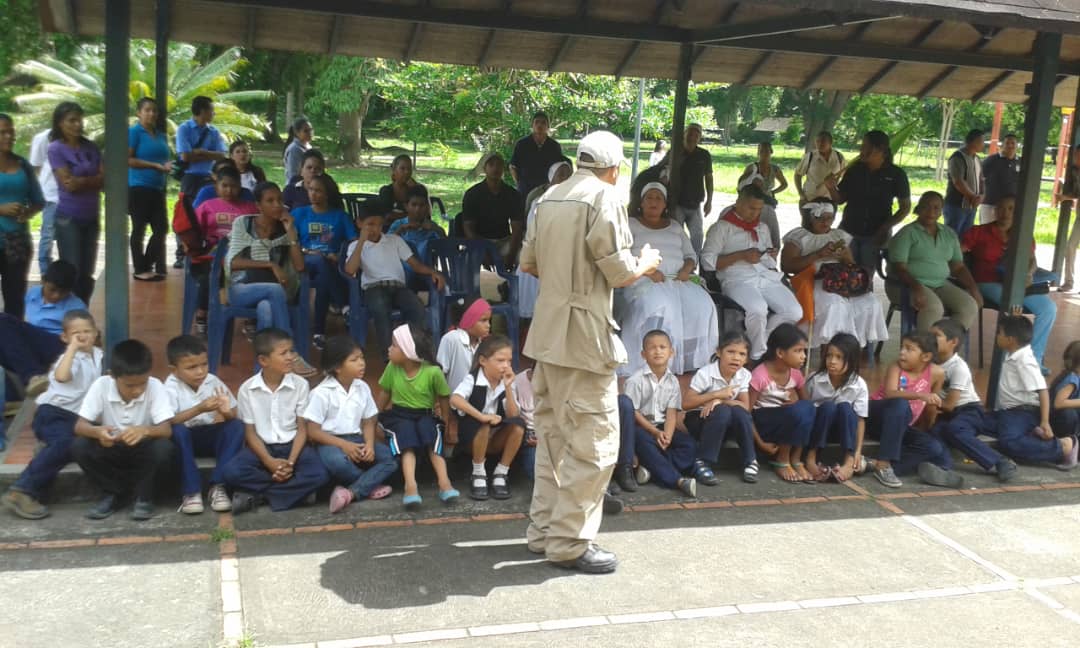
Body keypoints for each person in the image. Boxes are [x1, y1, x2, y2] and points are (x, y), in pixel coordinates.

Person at [520, 130, 661, 574]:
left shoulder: (548, 197)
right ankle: (569, 542)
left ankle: (544, 530)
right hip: (583, 337)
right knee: (594, 445)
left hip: (547, 334)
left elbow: (528, 263)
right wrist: (646, 262)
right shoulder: (604, 197)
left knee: (553, 441)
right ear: (614, 169)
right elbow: (619, 272)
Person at [0, 310, 101, 519]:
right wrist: (72, 349)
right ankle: (22, 490)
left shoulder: (99, 356)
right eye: (76, 334)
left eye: (87, 331)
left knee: (81, 443)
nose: (82, 336)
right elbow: (62, 376)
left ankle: (47, 449)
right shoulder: (69, 358)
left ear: (96, 333)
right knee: (66, 443)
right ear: (64, 338)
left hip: (75, 417)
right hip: (53, 414)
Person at [222, 328, 329, 513]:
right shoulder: (248, 389)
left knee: (320, 474)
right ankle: (294, 493)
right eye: (283, 353)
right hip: (263, 448)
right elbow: (250, 432)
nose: (290, 357)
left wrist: (291, 463)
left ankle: (258, 496)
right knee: (231, 472)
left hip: (293, 446)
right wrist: (269, 461)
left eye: (291, 351)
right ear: (264, 360)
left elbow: (302, 429)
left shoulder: (300, 385)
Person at [618, 181, 718, 376]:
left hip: (678, 281)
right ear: (641, 202)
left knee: (703, 305)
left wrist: (687, 269)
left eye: (658, 198)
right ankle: (648, 361)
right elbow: (623, 255)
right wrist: (647, 270)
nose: (653, 202)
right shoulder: (631, 224)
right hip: (645, 280)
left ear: (665, 205)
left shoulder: (675, 226)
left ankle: (687, 360)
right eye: (649, 198)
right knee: (660, 306)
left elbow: (690, 255)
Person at [71, 339, 175, 521]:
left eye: (142, 383)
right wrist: (98, 432)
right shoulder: (101, 385)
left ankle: (144, 496)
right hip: (111, 447)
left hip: (143, 448)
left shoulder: (155, 386)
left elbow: (166, 430)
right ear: (112, 375)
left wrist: (145, 431)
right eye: (130, 385)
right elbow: (80, 426)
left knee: (164, 448)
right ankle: (112, 494)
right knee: (80, 446)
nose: (137, 390)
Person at [701, 185, 802, 361]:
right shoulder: (721, 228)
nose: (755, 213)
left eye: (759, 209)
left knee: (794, 311)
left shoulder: (762, 228)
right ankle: (757, 355)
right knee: (757, 309)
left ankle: (763, 342)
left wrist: (769, 255)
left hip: (765, 277)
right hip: (736, 279)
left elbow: (768, 260)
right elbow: (707, 262)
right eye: (751, 208)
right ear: (738, 203)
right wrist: (741, 256)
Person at [226, 182, 314, 375]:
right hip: (240, 288)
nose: (277, 205)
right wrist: (270, 265)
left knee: (266, 308)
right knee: (274, 290)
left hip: (272, 295)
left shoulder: (284, 229)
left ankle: (261, 370)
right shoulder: (243, 224)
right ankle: (292, 353)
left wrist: (291, 233)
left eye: (280, 200)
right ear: (258, 205)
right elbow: (232, 262)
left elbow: (300, 266)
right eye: (270, 201)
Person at [962, 195, 1056, 372]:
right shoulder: (979, 231)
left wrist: (1029, 274)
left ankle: (1033, 360)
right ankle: (1011, 359)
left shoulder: (1023, 234)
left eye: (1011, 209)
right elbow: (957, 253)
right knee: (1013, 303)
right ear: (994, 211)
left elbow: (1032, 260)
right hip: (987, 282)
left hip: (1017, 283)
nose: (1005, 213)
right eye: (1001, 208)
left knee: (1048, 308)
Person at [344, 200, 446, 361]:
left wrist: (433, 272)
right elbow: (350, 270)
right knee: (380, 309)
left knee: (417, 308)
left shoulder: (394, 240)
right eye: (370, 224)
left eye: (379, 224)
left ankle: (414, 350)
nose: (375, 229)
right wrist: (361, 242)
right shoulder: (355, 246)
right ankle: (389, 357)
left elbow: (415, 265)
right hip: (374, 288)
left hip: (398, 287)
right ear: (359, 223)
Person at [305, 335, 397, 514]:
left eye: (362, 358)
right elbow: (313, 431)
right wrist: (344, 445)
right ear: (337, 367)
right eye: (354, 360)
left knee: (390, 459)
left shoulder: (362, 387)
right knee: (337, 462)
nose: (361, 363)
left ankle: (351, 492)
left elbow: (369, 421)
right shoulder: (321, 393)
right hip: (330, 442)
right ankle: (369, 486)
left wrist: (369, 444)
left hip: (358, 438)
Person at [781, 199, 888, 349]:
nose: (825, 222)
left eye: (829, 218)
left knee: (870, 301)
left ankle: (854, 346)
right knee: (834, 303)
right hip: (812, 280)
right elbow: (787, 266)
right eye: (820, 218)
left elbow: (852, 265)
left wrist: (846, 257)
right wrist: (818, 255)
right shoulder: (799, 236)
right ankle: (833, 348)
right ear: (810, 218)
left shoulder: (839, 235)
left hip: (841, 279)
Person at [865, 331, 962, 489]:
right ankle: (883, 463)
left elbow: (931, 404)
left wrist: (925, 429)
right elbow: (890, 393)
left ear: (926, 357)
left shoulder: (937, 373)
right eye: (902, 347)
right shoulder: (896, 366)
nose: (902, 352)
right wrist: (920, 395)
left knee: (933, 446)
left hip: (901, 425)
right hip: (876, 417)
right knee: (900, 404)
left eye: (909, 349)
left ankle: (875, 465)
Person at [377, 323, 459, 509]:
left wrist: (445, 420)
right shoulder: (392, 367)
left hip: (425, 415)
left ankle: (444, 483)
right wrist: (375, 416)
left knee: (432, 440)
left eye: (394, 345)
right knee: (407, 444)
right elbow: (385, 392)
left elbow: (443, 397)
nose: (389, 349)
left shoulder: (433, 372)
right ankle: (410, 486)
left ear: (408, 351)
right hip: (399, 415)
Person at [165, 335, 244, 515]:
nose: (200, 371)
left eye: (204, 364)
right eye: (191, 367)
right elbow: (168, 421)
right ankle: (191, 492)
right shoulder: (169, 387)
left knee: (236, 426)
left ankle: (219, 486)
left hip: (207, 435)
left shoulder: (212, 380)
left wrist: (225, 412)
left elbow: (233, 412)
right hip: (183, 440)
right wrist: (199, 409)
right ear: (174, 370)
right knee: (178, 430)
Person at [930, 318, 1018, 481]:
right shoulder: (929, 362)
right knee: (934, 432)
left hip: (969, 410)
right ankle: (944, 468)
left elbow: (949, 405)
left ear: (953, 342)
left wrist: (925, 399)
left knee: (955, 429)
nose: (930, 340)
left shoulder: (958, 367)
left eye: (936, 335)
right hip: (945, 413)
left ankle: (1000, 461)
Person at [622, 330, 703, 498]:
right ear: (643, 354)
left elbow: (671, 412)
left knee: (689, 445)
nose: (657, 351)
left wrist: (668, 435)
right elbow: (633, 412)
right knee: (644, 443)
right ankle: (678, 481)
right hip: (641, 427)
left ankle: (650, 468)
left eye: (662, 347)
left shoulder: (673, 381)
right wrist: (654, 432)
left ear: (671, 352)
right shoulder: (635, 380)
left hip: (662, 426)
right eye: (652, 348)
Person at [887, 191, 982, 332]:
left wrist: (973, 288)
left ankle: (947, 342)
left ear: (942, 211)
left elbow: (958, 267)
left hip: (940, 284)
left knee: (969, 306)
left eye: (936, 208)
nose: (931, 211)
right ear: (918, 208)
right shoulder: (907, 233)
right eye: (926, 206)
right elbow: (899, 268)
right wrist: (916, 287)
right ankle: (924, 344)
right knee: (934, 308)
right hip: (905, 285)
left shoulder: (949, 234)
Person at [994, 314, 1079, 469]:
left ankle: (1063, 446)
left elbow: (1043, 390)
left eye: (1000, 333)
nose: (997, 336)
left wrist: (1044, 422)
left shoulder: (1022, 359)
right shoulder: (1072, 379)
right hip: (1022, 413)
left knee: (1008, 442)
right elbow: (1058, 402)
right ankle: (1059, 444)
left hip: (1024, 412)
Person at [451, 335, 525, 500]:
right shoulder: (472, 379)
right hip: (473, 440)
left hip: (496, 440)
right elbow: (455, 399)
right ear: (483, 361)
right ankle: (478, 473)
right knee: (483, 425)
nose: (506, 366)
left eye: (509, 361)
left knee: (518, 425)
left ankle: (501, 472)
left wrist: (508, 388)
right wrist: (482, 416)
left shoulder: (507, 382)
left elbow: (513, 415)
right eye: (500, 360)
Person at [829, 130, 911, 275]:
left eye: (866, 146)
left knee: (865, 276)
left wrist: (884, 228)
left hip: (875, 235)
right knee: (844, 273)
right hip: (848, 229)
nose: (861, 150)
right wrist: (831, 188)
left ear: (881, 150)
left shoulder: (896, 174)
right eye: (862, 146)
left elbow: (905, 208)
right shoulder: (854, 170)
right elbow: (840, 199)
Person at [683, 332, 759, 484]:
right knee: (722, 411)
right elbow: (686, 403)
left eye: (742, 354)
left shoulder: (744, 375)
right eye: (731, 352)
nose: (736, 358)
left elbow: (745, 406)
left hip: (725, 425)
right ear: (719, 352)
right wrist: (716, 394)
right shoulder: (706, 373)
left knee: (739, 412)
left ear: (746, 359)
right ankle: (702, 461)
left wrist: (720, 400)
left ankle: (750, 460)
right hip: (700, 421)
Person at [191, 166, 257, 336]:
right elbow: (193, 231)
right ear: (217, 186)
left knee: (257, 274)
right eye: (225, 186)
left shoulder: (250, 208)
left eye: (233, 186)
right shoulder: (207, 206)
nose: (229, 190)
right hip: (212, 255)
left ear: (240, 187)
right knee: (210, 275)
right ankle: (202, 315)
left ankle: (251, 317)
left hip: (241, 256)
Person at [47, 102, 102, 305]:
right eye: (72, 120)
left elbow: (104, 179)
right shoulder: (56, 149)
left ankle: (82, 311)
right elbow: (68, 184)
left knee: (87, 272)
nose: (78, 124)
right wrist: (92, 181)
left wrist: (82, 182)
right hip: (69, 218)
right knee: (72, 271)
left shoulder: (91, 147)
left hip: (92, 216)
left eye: (80, 119)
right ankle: (70, 315)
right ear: (60, 123)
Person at [292, 174, 355, 347]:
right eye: (311, 189)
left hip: (332, 264)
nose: (313, 194)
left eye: (318, 191)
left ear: (327, 194)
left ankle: (318, 332)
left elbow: (353, 242)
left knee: (323, 279)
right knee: (320, 261)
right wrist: (308, 251)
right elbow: (290, 241)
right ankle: (344, 305)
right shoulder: (299, 214)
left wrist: (340, 255)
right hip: (306, 260)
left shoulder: (340, 216)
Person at [749, 324, 814, 482]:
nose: (803, 356)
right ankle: (782, 459)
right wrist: (761, 443)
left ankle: (796, 458)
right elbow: (746, 413)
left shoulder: (795, 374)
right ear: (780, 353)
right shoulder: (760, 375)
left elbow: (806, 404)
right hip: (765, 427)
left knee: (807, 407)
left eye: (804, 351)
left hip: (786, 423)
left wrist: (796, 400)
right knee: (797, 411)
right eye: (798, 351)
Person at [804, 333, 868, 482]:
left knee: (845, 407)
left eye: (839, 357)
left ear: (851, 360)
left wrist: (858, 451)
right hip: (818, 430)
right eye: (829, 356)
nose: (832, 361)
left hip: (843, 433)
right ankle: (811, 457)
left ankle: (849, 460)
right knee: (828, 407)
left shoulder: (859, 385)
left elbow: (860, 420)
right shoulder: (815, 380)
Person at [0, 113, 44, 317]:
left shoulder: (23, 164)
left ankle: (12, 336)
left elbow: (38, 200)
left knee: (15, 299)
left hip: (17, 242)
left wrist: (28, 212)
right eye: (2, 132)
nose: (9, 136)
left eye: (11, 132)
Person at [176, 96, 227, 268]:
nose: (213, 113)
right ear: (203, 111)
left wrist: (199, 152)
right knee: (186, 214)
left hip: (208, 177)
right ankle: (182, 253)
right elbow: (185, 156)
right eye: (211, 110)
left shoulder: (214, 132)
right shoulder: (184, 129)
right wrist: (207, 154)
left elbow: (222, 155)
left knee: (206, 214)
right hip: (190, 177)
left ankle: (203, 250)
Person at [518, 160, 572, 319]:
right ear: (551, 178)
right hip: (539, 256)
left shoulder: (576, 204)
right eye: (561, 174)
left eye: (569, 175)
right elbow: (533, 234)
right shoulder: (538, 202)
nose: (565, 178)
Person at [127, 97, 172, 281]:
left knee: (161, 228)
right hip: (138, 187)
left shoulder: (161, 135)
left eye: (154, 110)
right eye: (147, 110)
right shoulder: (134, 132)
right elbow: (128, 159)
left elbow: (164, 158)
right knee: (139, 228)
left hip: (157, 187)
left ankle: (145, 266)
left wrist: (167, 166)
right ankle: (140, 269)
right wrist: (154, 166)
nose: (151, 114)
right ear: (139, 113)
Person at [461, 152, 524, 268]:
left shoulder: (513, 195)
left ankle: (512, 280)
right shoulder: (472, 194)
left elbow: (517, 229)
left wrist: (511, 255)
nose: (495, 168)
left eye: (499, 165)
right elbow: (468, 228)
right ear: (484, 168)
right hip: (480, 241)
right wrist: (482, 252)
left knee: (524, 257)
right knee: (467, 259)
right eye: (491, 165)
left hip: (504, 241)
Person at [388, 184, 446, 291]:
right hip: (402, 272)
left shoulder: (432, 228)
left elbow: (446, 248)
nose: (417, 209)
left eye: (422, 205)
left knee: (439, 284)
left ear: (427, 207)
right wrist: (400, 230)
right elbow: (385, 246)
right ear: (406, 206)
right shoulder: (399, 225)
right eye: (414, 205)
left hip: (426, 272)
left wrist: (436, 229)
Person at [437, 297, 492, 398]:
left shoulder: (485, 343)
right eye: (483, 320)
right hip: (454, 401)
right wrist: (441, 401)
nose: (488, 325)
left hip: (477, 402)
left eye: (489, 321)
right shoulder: (452, 339)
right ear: (468, 321)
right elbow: (440, 373)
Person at [671, 123, 713, 255]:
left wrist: (709, 200)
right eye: (690, 134)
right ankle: (677, 258)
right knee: (676, 234)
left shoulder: (704, 155)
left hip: (695, 203)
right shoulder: (675, 152)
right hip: (677, 202)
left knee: (697, 236)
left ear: (699, 138)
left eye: (696, 135)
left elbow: (709, 178)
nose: (692, 137)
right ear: (684, 135)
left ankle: (694, 261)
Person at [510, 111, 564, 198]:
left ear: (548, 126)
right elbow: (513, 167)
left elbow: (560, 168)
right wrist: (519, 184)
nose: (539, 125)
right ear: (532, 125)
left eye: (543, 123)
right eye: (537, 122)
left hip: (546, 190)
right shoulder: (522, 144)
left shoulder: (554, 146)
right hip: (525, 190)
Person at [24, 259, 85, 336]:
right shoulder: (32, 294)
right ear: (43, 281)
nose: (56, 296)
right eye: (52, 290)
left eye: (63, 292)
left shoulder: (77, 308)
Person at [943, 129, 985, 237]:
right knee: (952, 236)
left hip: (971, 207)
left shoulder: (977, 158)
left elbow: (981, 179)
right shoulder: (957, 157)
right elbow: (958, 181)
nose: (983, 144)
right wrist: (973, 197)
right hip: (956, 206)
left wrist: (981, 196)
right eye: (981, 141)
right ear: (974, 142)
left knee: (966, 237)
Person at [29, 128, 58, 276]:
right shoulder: (42, 138)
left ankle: (66, 274)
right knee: (48, 234)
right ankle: (45, 272)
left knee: (68, 237)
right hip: (51, 195)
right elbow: (36, 166)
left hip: (71, 196)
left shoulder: (75, 137)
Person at [795, 131, 845, 204]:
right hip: (810, 198)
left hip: (830, 199)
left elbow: (844, 175)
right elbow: (797, 175)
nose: (820, 144)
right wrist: (801, 194)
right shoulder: (810, 156)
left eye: (823, 141)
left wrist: (837, 189)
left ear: (830, 143)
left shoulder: (839, 157)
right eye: (817, 141)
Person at [979, 134, 1019, 224]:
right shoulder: (991, 160)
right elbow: (980, 178)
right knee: (987, 229)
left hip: (1011, 207)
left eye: (1013, 143)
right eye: (1007, 143)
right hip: (991, 204)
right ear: (1002, 145)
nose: (1010, 145)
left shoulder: (1021, 161)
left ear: (1017, 145)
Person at [738, 141, 788, 213]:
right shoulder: (752, 168)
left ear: (771, 152)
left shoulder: (775, 169)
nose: (764, 154)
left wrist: (773, 192)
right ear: (758, 153)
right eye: (761, 151)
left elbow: (784, 184)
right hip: (752, 203)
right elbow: (741, 184)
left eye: (767, 151)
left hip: (768, 202)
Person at [192, 159, 256, 209]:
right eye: (222, 172)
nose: (226, 175)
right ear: (214, 176)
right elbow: (195, 213)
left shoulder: (246, 193)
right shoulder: (206, 192)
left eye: (230, 172)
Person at [1058, 146, 1080, 292]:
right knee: (1070, 246)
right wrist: (1066, 196)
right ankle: (1068, 281)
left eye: (1078, 155)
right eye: (1076, 155)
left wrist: (1067, 197)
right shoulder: (1074, 170)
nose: (1076, 158)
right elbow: (1076, 192)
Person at [1050, 341, 1080, 441]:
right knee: (1069, 413)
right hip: (1060, 421)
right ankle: (1070, 441)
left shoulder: (1074, 374)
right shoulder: (1072, 379)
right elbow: (1058, 403)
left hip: (1063, 420)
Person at [282, 117, 313, 183]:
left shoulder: (308, 147)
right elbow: (294, 175)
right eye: (306, 131)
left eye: (311, 130)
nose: (310, 133)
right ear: (297, 133)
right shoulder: (294, 149)